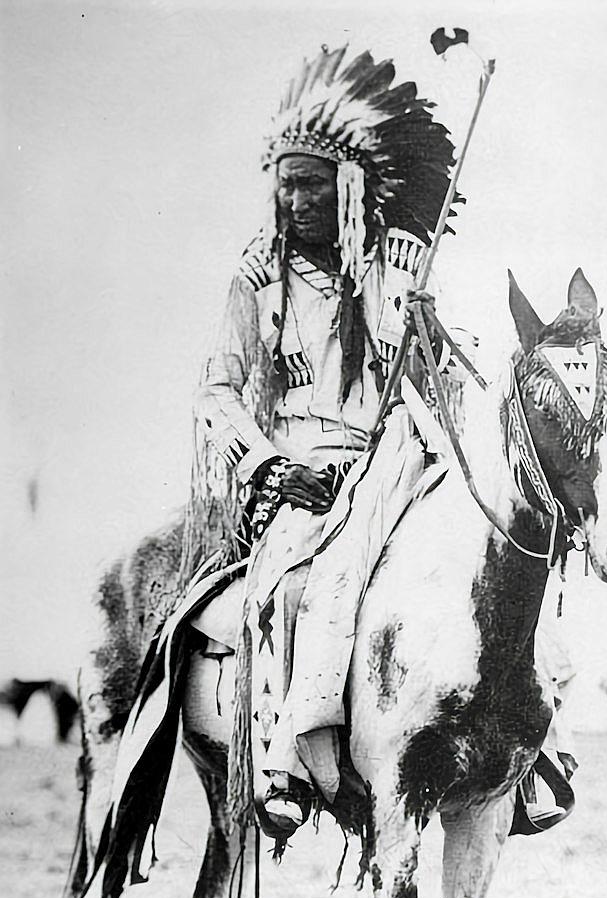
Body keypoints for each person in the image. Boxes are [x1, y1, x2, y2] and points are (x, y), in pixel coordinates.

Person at [181, 45, 465, 837]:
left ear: (348, 185)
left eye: (309, 183)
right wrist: (270, 466)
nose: (292, 199)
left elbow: (436, 373)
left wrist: (426, 332)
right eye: (284, 183)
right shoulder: (258, 279)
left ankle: (523, 742)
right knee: (296, 587)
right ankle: (289, 759)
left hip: (393, 465)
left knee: (472, 567)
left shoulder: (393, 265)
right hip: (300, 470)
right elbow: (218, 390)